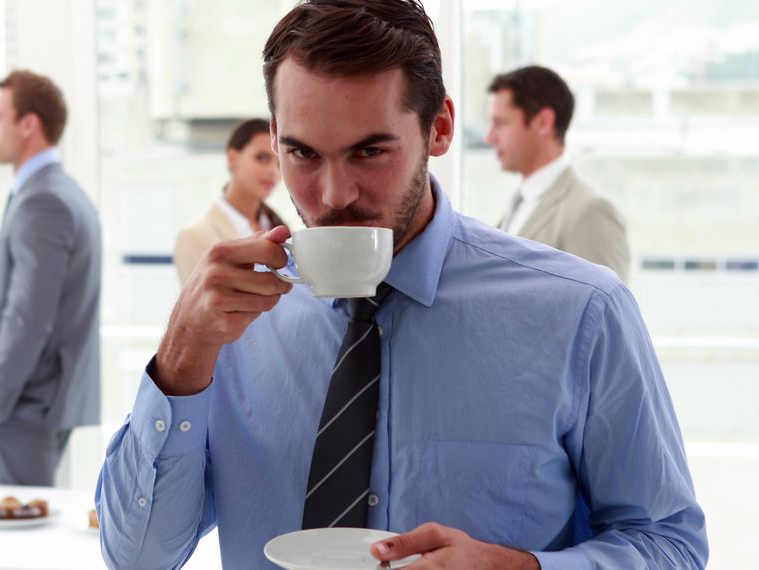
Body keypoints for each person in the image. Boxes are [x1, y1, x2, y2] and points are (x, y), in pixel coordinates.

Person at [96, 1, 706, 568]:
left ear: (439, 129)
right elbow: (137, 557)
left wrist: (524, 567)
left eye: (369, 152)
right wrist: (179, 359)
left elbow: (671, 545)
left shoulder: (581, 311)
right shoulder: (229, 323)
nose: (334, 197)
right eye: (303, 154)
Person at [0, 70, 101, 486]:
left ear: (29, 124)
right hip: (39, 400)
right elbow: (40, 300)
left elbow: (31, 315)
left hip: (23, 404)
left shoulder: (43, 200)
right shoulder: (59, 191)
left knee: (18, 538)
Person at [486, 65, 631, 282]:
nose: (489, 137)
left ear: (543, 122)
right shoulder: (519, 204)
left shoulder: (590, 212)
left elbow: (608, 312)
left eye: (501, 123)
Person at [173, 118, 284, 283]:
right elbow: (198, 306)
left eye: (280, 164)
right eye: (262, 158)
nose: (273, 172)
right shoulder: (194, 236)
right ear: (233, 158)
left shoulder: (277, 226)